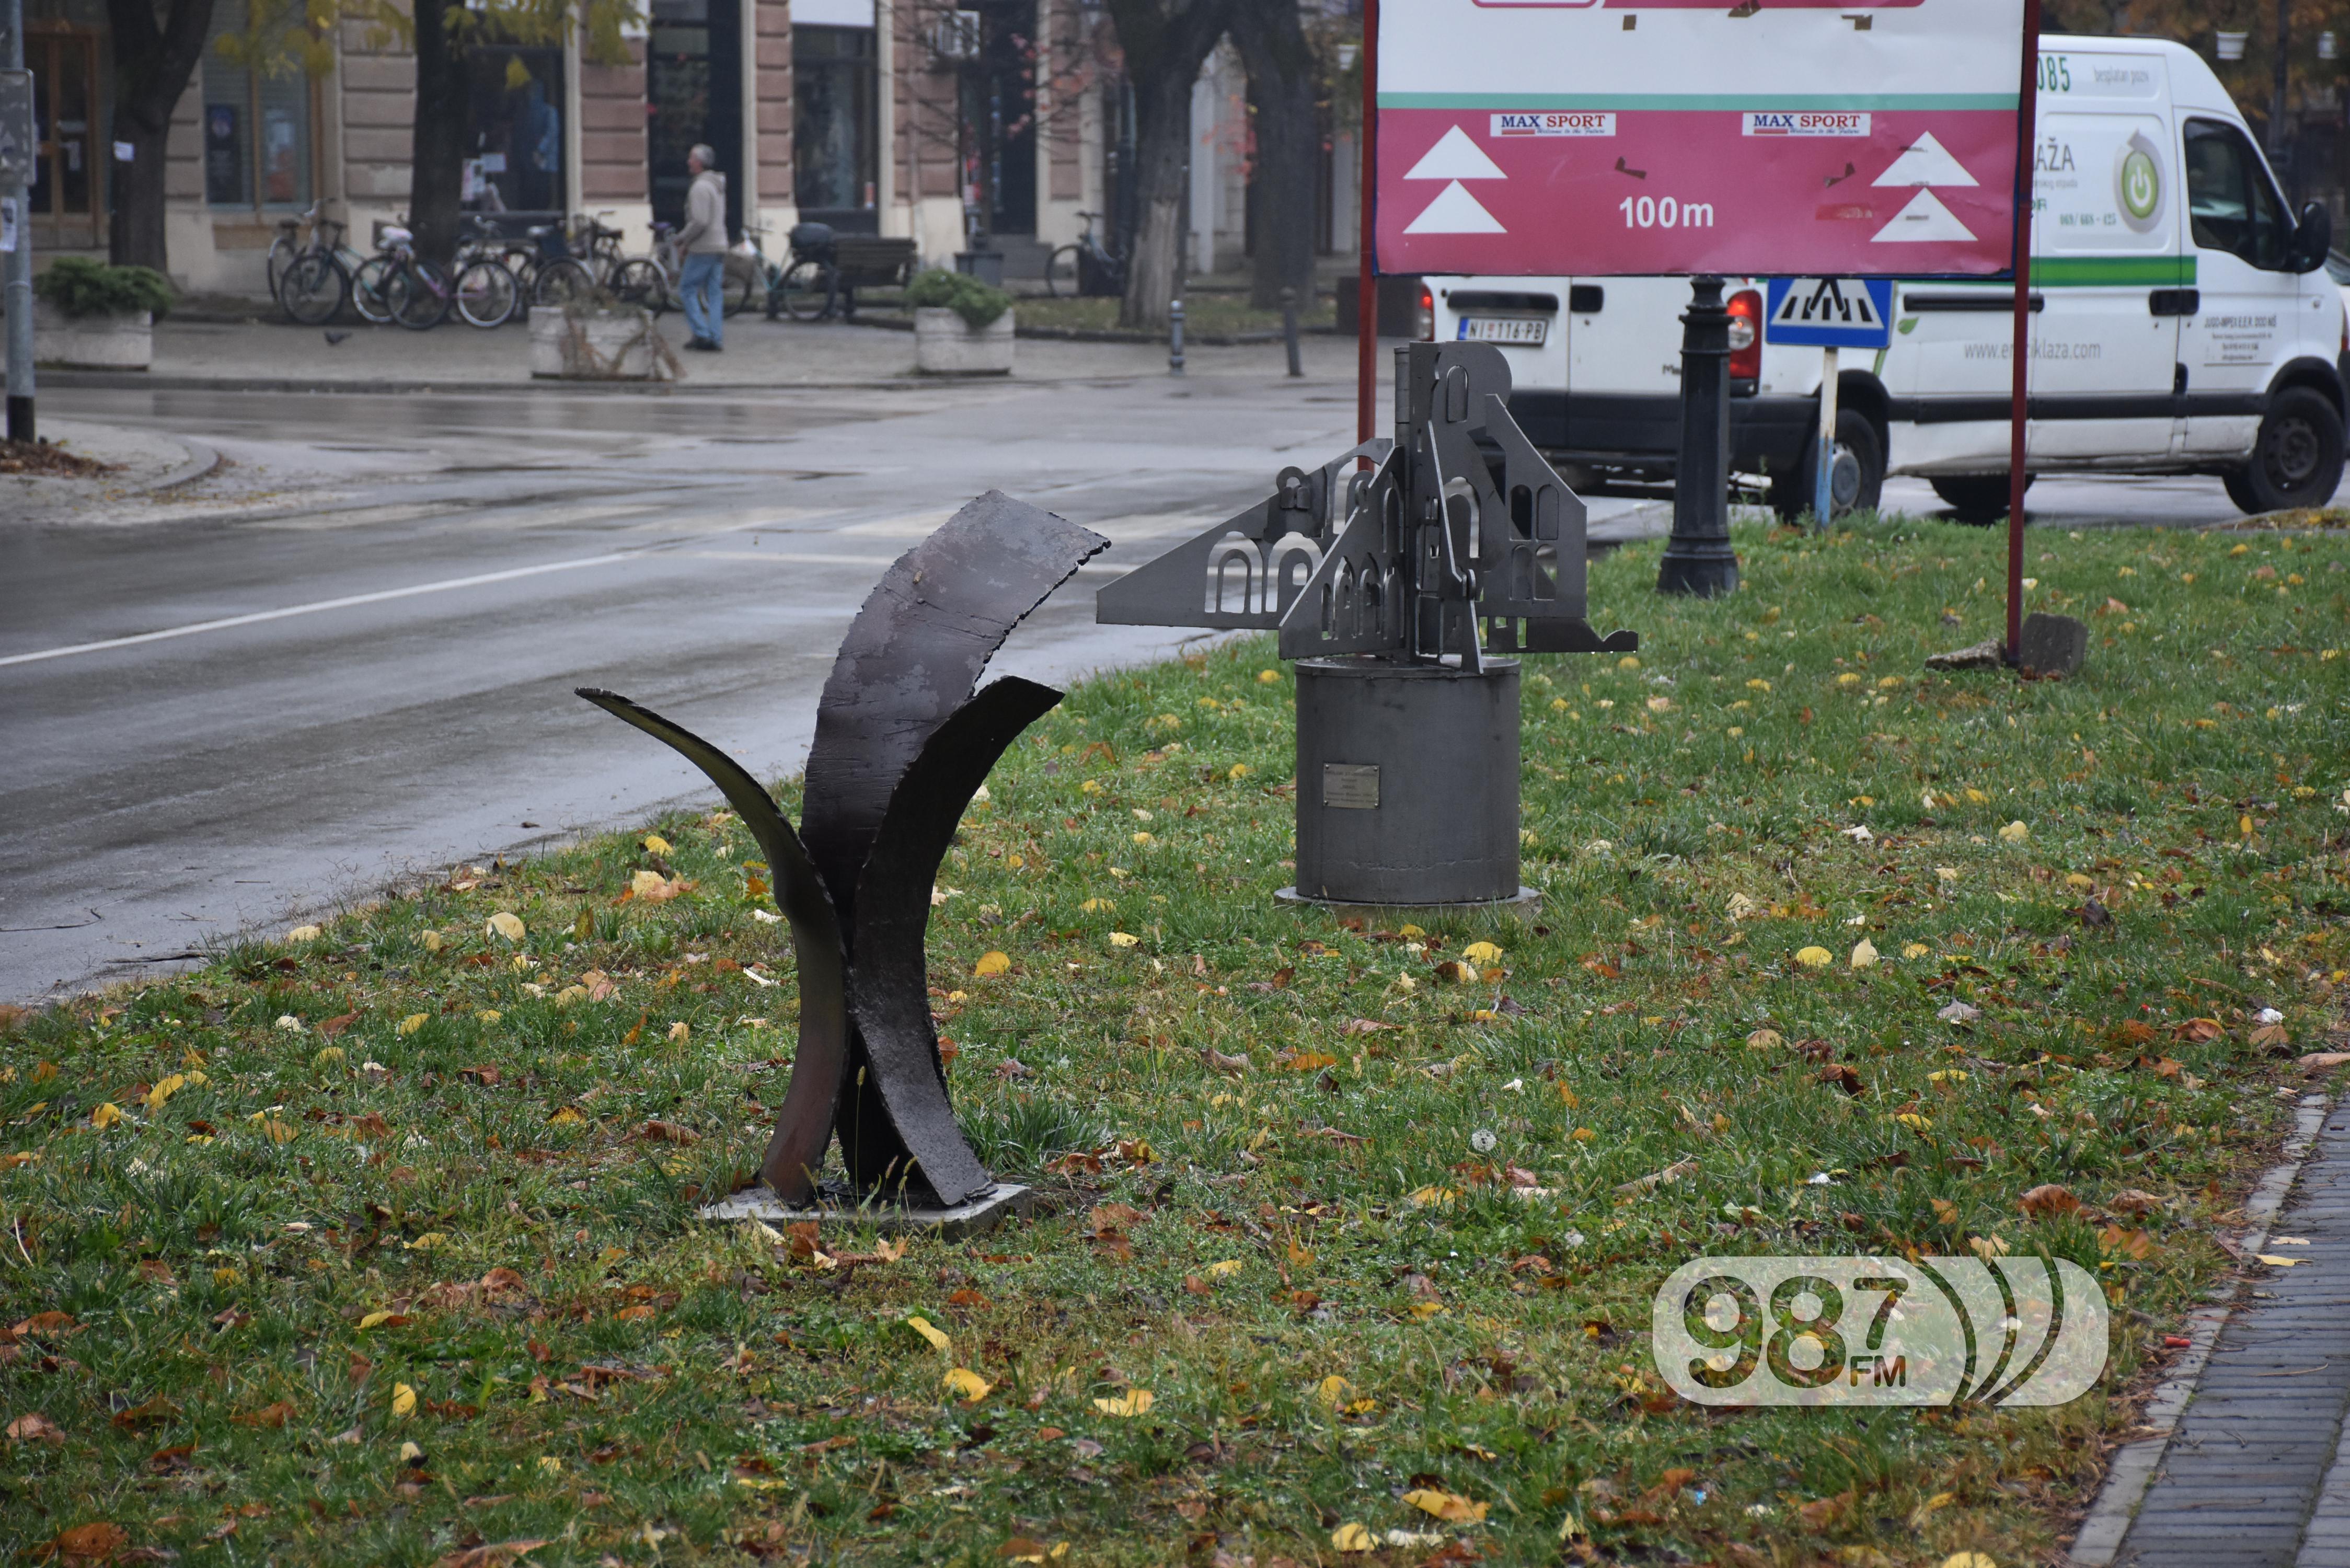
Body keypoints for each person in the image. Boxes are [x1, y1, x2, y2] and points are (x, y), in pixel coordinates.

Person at [677, 145, 728, 351]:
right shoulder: (717, 185)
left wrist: (683, 239)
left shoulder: (700, 187)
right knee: (714, 293)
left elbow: (700, 221)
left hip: (704, 247)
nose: (688, 162)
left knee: (687, 289)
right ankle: (715, 337)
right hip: (720, 244)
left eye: (691, 158)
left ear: (699, 163)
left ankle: (701, 333)